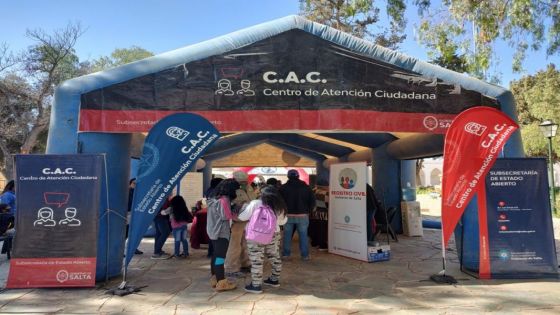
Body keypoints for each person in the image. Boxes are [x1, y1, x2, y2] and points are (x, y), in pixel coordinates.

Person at [238, 185, 287, 294]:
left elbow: (242, 217)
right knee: (274, 256)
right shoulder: (279, 206)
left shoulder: (255, 203)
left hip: (255, 235)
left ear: (262, 194)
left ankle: (256, 285)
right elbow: (282, 222)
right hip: (273, 234)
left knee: (256, 260)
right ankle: (274, 280)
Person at [206, 178, 239, 292]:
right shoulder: (224, 200)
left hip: (212, 230)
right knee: (220, 257)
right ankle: (222, 282)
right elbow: (225, 216)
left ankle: (215, 278)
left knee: (216, 255)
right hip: (221, 232)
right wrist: (235, 210)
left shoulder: (213, 198)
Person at [224, 170, 256, 277]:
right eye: (241, 181)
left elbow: (253, 199)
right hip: (237, 220)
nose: (244, 183)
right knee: (234, 244)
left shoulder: (249, 187)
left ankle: (245, 264)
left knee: (246, 243)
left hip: (248, 220)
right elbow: (229, 205)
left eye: (245, 181)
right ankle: (230, 267)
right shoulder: (231, 189)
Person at [279, 169, 316, 261]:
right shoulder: (306, 187)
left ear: (288, 176)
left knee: (287, 235)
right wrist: (309, 211)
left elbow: (279, 202)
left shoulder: (283, 188)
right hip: (303, 215)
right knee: (303, 235)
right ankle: (305, 255)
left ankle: (286, 254)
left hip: (288, 216)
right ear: (298, 176)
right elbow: (312, 202)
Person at [151, 195, 172, 260]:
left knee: (159, 233)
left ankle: (157, 251)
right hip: (161, 217)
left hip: (157, 217)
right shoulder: (163, 197)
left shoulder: (160, 196)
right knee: (165, 232)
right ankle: (157, 252)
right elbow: (165, 209)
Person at [127, 178, 143, 255]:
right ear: (130, 183)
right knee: (127, 232)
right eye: (134, 183)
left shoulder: (137, 192)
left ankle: (134, 248)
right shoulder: (129, 192)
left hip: (135, 214)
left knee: (134, 232)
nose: (135, 185)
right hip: (129, 214)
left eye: (137, 184)